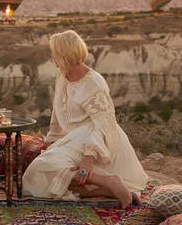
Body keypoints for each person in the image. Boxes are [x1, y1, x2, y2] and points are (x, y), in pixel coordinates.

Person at [23, 30, 148, 208]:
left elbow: (105, 124)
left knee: (44, 166)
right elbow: (57, 111)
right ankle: (108, 186)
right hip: (75, 140)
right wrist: (51, 140)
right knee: (42, 178)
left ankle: (111, 180)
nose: (52, 58)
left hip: (99, 141)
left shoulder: (94, 82)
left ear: (64, 54)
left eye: (55, 53)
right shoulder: (62, 75)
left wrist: (89, 157)